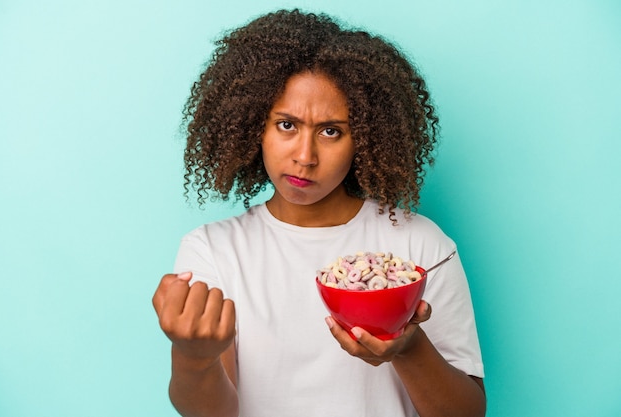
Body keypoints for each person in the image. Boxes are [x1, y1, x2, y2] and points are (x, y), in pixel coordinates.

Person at [152, 9, 485, 417]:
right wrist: (193, 356)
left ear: (364, 137)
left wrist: (409, 346)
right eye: (287, 125)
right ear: (255, 125)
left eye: (331, 131)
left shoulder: (420, 245)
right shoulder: (214, 251)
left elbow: (467, 412)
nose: (305, 157)